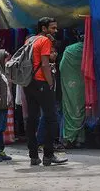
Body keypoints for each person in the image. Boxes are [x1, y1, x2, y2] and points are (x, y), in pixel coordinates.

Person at [24, 17, 68, 166]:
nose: (55, 31)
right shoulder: (45, 41)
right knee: (52, 118)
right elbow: (44, 64)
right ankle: (48, 155)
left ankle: (33, 156)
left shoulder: (30, 40)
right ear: (43, 28)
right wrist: (50, 83)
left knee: (32, 118)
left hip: (29, 83)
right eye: (52, 28)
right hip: (41, 82)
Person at [60, 39, 86, 149]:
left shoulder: (69, 50)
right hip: (83, 84)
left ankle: (68, 138)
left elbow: (62, 67)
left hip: (69, 83)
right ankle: (79, 139)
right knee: (81, 108)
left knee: (69, 107)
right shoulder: (87, 50)